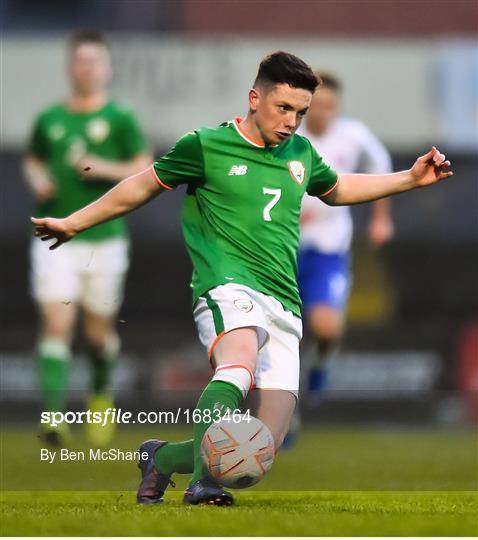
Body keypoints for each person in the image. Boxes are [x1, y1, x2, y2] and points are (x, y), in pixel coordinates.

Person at [31, 51, 453, 506]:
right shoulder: (205, 145)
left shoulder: (302, 153)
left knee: (256, 454)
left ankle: (161, 459)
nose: (293, 121)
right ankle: (202, 485)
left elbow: (340, 190)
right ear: (255, 98)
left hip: (284, 304)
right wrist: (75, 222)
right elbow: (142, 184)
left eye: (301, 112)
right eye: (284, 108)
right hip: (226, 286)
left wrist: (409, 179)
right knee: (238, 362)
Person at [24, 30, 151, 447]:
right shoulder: (50, 118)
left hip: (106, 238)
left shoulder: (120, 117)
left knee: (98, 335)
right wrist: (39, 179)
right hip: (54, 234)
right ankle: (54, 416)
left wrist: (101, 167)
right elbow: (34, 159)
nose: (88, 68)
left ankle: (100, 393)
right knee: (57, 323)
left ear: (107, 68)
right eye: (81, 61)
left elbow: (143, 166)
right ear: (69, 66)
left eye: (95, 61)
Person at [298, 72, 394, 403]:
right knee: (281, 335)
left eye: (329, 105)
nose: (322, 112)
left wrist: (381, 218)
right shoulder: (286, 136)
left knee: (326, 328)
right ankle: (284, 413)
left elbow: (381, 168)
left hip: (328, 248)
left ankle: (320, 364)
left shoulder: (352, 136)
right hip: (282, 246)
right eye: (316, 105)